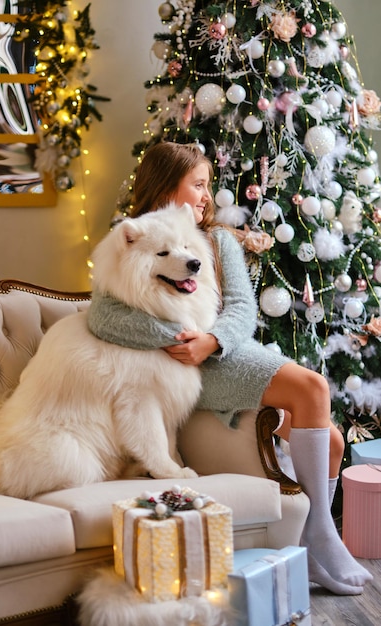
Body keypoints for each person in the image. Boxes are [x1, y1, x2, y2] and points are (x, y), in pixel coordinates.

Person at [88, 142, 372, 595]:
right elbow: (102, 317)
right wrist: (176, 340)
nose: (207, 196)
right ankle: (321, 535)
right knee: (314, 389)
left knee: (334, 440)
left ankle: (312, 544)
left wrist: (212, 340)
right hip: (187, 372)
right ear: (166, 185)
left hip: (224, 354)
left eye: (208, 185)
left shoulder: (219, 240)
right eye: (198, 185)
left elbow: (241, 310)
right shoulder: (131, 238)